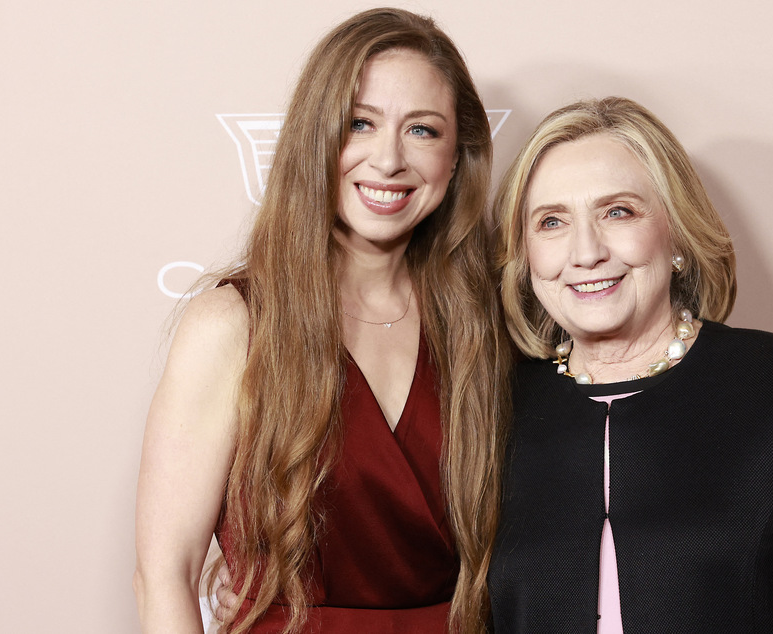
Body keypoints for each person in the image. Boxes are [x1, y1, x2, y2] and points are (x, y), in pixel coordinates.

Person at [133, 8, 510, 633]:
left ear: (456, 156)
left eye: (423, 130)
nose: (389, 160)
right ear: (316, 137)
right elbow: (164, 571)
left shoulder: (488, 325)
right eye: (360, 123)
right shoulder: (232, 324)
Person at [487, 97, 773, 633]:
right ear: (525, 255)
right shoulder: (498, 408)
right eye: (551, 221)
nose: (585, 251)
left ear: (676, 232)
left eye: (617, 212)